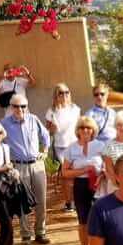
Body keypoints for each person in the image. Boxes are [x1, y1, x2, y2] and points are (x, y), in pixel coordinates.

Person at [2, 93, 51, 245]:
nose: (20, 109)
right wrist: (5, 162)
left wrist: (45, 151)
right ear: (11, 107)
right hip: (18, 166)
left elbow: (46, 135)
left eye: (23, 106)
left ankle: (40, 232)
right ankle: (25, 235)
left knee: (41, 200)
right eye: (16, 106)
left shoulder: (33, 119)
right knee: (22, 201)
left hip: (37, 165)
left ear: (27, 106)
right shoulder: (4, 124)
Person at [61, 116, 105, 245]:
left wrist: (102, 174)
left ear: (93, 130)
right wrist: (83, 170)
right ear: (77, 130)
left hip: (98, 185)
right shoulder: (71, 148)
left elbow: (107, 165)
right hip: (80, 186)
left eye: (88, 127)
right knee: (83, 221)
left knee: (100, 220)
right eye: (82, 127)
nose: (85, 130)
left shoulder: (100, 146)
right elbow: (65, 172)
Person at [45, 83, 81, 212]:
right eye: (61, 93)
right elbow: (48, 131)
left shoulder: (75, 109)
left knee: (78, 175)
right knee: (66, 176)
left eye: (67, 92)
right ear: (56, 95)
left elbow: (80, 126)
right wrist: (52, 129)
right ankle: (69, 203)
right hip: (61, 147)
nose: (64, 95)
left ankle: (78, 201)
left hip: (76, 145)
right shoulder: (51, 111)